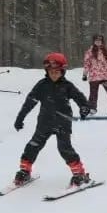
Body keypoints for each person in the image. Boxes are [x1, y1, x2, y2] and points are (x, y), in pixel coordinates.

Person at [11, 53, 92, 187]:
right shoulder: (42, 85)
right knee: (33, 146)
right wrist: (20, 118)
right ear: (46, 71)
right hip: (45, 121)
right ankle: (25, 171)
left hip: (63, 122)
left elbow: (80, 98)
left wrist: (84, 108)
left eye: (57, 72)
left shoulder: (67, 86)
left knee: (64, 148)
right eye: (51, 72)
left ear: (62, 71)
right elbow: (29, 102)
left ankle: (79, 173)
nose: (54, 74)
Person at [81, 34, 107, 114]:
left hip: (105, 76)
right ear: (94, 41)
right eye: (96, 40)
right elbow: (87, 64)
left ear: (102, 41)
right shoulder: (89, 52)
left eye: (100, 40)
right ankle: (92, 108)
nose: (98, 42)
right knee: (93, 94)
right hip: (94, 77)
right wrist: (84, 74)